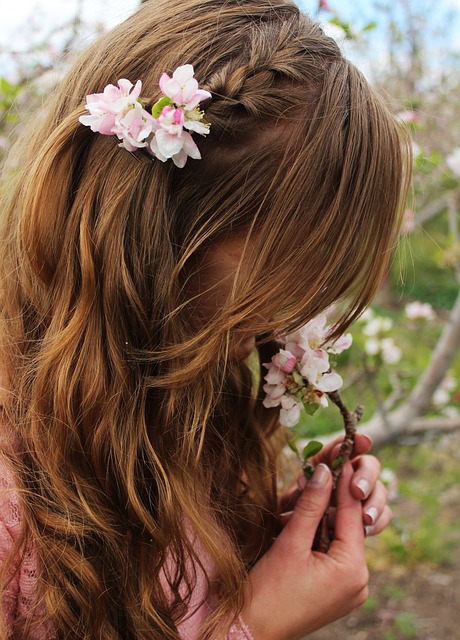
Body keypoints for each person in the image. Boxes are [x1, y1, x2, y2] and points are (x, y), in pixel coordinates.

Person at [0, 0, 410, 638]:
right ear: (154, 229)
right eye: (285, 265)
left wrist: (259, 545)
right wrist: (252, 628)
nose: (293, 309)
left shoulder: (182, 408)